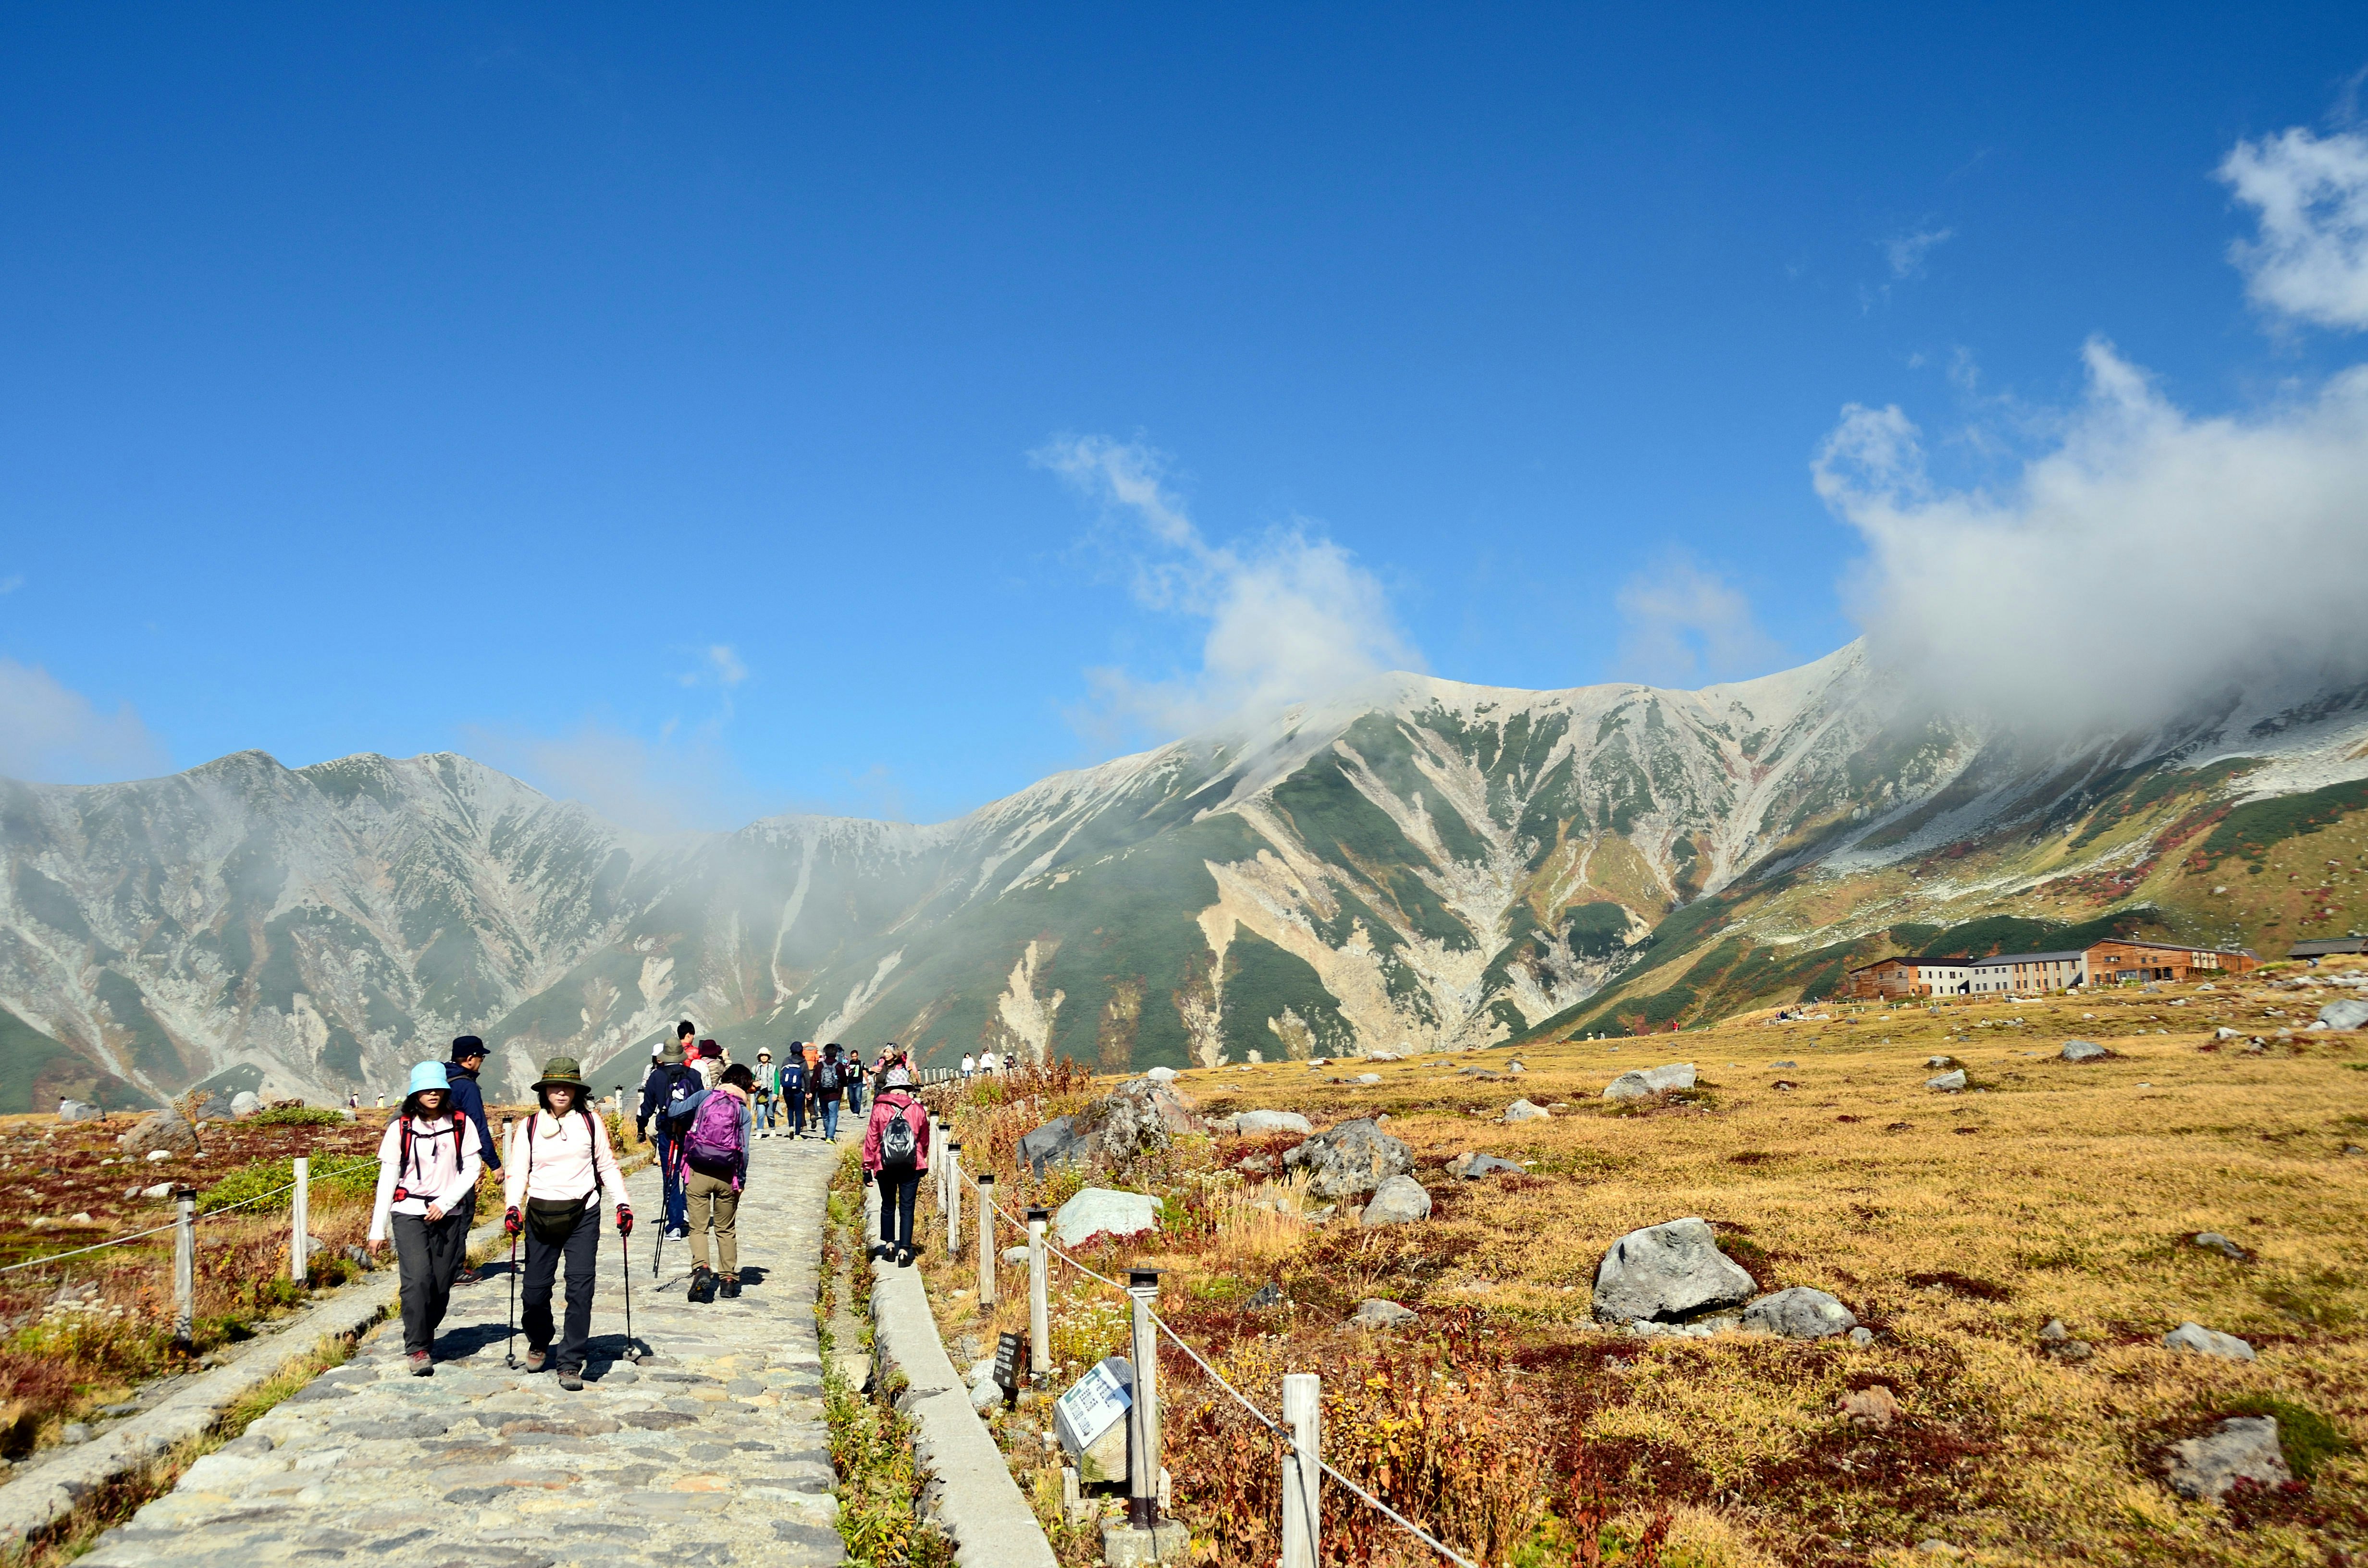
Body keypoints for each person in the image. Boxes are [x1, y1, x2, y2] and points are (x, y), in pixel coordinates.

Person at [504, 1057, 630, 1391]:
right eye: (554, 1086)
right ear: (544, 1091)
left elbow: (607, 1166)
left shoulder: (590, 1123)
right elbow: (518, 1170)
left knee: (581, 1288)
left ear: (576, 1091)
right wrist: (512, 1207)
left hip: (583, 1213)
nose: (561, 1091)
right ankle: (540, 1338)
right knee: (534, 1291)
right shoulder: (529, 1127)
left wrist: (622, 1203)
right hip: (540, 1214)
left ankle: (571, 1362)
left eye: (568, 1086)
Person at [369, 1060, 484, 1375]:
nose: (432, 1093)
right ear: (415, 1093)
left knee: (442, 1284)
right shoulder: (401, 1128)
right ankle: (417, 1347)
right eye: (425, 1088)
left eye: (437, 1088)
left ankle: (424, 1330)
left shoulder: (461, 1123)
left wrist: (446, 1203)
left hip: (450, 1214)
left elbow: (473, 1168)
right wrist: (376, 1229)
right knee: (417, 1280)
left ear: (445, 1090)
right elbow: (388, 1179)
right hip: (408, 1213)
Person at [667, 1061, 753, 1301]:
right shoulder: (743, 1111)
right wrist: (742, 1180)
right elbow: (744, 1151)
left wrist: (673, 1099)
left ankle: (702, 1268)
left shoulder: (704, 1097)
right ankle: (728, 1280)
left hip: (698, 1169)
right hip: (727, 1174)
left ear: (724, 1078)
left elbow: (675, 1111)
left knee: (698, 1228)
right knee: (726, 1229)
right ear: (745, 1086)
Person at [443, 1036, 502, 1283]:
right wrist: (494, 1164)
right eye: (481, 1057)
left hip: (434, 1160)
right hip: (458, 1161)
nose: (481, 1062)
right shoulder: (466, 1087)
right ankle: (456, 1270)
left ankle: (440, 1267)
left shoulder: (441, 1081)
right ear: (470, 1059)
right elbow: (478, 1127)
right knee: (463, 1212)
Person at [862, 1063, 931, 1266]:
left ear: (889, 1089)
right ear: (907, 1089)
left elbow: (872, 1138)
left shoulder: (879, 1109)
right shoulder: (917, 1109)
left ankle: (890, 1244)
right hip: (911, 1165)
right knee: (907, 1207)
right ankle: (905, 1249)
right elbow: (923, 1139)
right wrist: (921, 1158)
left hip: (885, 1164)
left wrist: (867, 1167)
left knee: (888, 1205)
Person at [636, 1035, 703, 1239]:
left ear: (663, 1056)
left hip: (668, 1132)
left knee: (671, 1177)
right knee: (691, 1175)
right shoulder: (694, 1075)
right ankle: (685, 1207)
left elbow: (646, 1108)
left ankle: (674, 1225)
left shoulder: (657, 1077)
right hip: (690, 1133)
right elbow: (701, 1102)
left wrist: (641, 1129)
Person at [813, 1043, 845, 1142]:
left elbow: (814, 1080)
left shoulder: (820, 1066)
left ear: (825, 1053)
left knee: (826, 1116)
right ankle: (830, 1137)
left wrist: (812, 1092)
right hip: (835, 1094)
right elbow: (844, 1081)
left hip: (822, 1094)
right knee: (833, 1116)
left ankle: (828, 1133)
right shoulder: (839, 1066)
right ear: (836, 1053)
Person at [780, 1045, 809, 1139]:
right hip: (799, 1090)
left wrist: (784, 1085)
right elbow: (807, 1077)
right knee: (799, 1111)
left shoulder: (786, 1060)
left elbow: (782, 1075)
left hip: (787, 1090)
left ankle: (791, 1127)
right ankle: (797, 1134)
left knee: (790, 1109)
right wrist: (808, 1091)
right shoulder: (804, 1062)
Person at [753, 1048, 778, 1137]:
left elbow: (777, 1081)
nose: (764, 1057)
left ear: (768, 1057)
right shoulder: (755, 1068)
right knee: (760, 1113)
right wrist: (755, 1083)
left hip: (770, 1093)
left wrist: (776, 1094)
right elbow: (752, 1080)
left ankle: (772, 1128)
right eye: (762, 1056)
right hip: (760, 1094)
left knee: (770, 1113)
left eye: (765, 1055)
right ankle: (760, 1131)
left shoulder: (774, 1068)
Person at [843, 1047, 865, 1116]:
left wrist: (867, 1081)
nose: (854, 1058)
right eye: (853, 1057)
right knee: (852, 1099)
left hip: (859, 1083)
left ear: (858, 1056)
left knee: (858, 1098)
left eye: (855, 1056)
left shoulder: (861, 1063)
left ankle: (856, 1112)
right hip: (850, 1083)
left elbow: (864, 1072)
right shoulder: (849, 1064)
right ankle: (853, 1110)